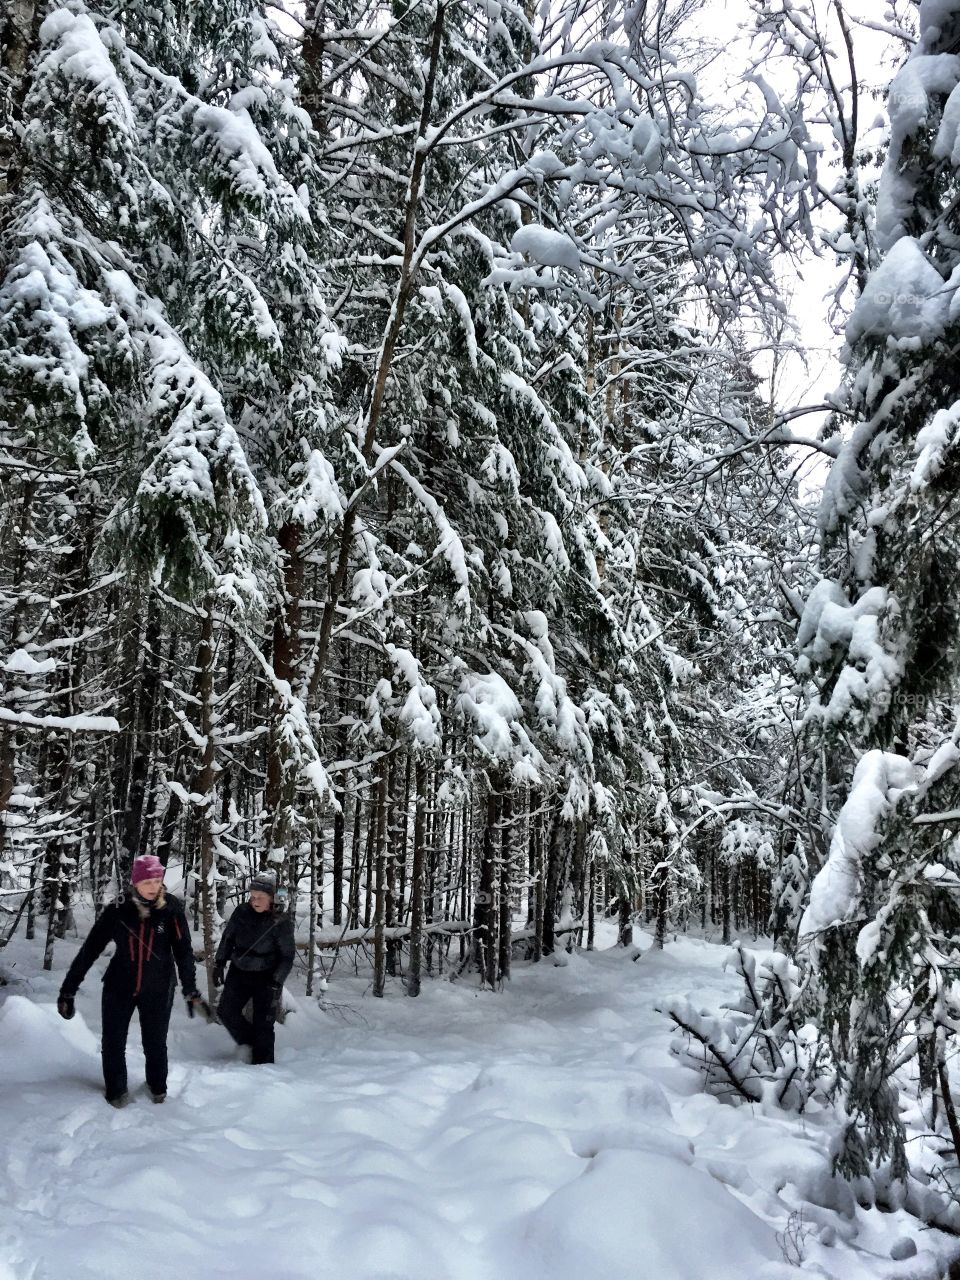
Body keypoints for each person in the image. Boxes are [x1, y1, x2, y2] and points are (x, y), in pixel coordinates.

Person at [57, 854, 209, 1107]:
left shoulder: (171, 909)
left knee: (155, 1042)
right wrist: (68, 990)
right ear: (135, 882)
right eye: (147, 881)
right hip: (120, 984)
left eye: (157, 880)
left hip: (159, 986)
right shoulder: (118, 909)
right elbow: (90, 949)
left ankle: (157, 1089)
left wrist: (190, 988)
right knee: (113, 1042)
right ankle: (116, 1092)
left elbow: (183, 952)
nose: (153, 886)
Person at [214, 871, 295, 1065]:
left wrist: (277, 981)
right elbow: (228, 938)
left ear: (271, 898)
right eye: (252, 896)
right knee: (226, 1012)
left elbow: (287, 956)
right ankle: (248, 1045)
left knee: (264, 1025)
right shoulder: (241, 912)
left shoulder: (280, 921)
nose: (255, 900)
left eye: (260, 897)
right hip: (239, 970)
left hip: (267, 977)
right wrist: (219, 962)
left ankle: (264, 1067)